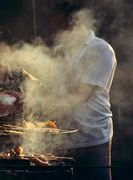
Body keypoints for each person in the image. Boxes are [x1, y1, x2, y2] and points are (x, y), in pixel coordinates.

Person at [48, 2, 117, 180]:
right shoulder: (59, 50)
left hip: (93, 138)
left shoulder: (100, 49)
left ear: (76, 24)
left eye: (60, 28)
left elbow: (81, 95)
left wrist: (42, 104)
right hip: (64, 138)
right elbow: (51, 87)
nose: (56, 33)